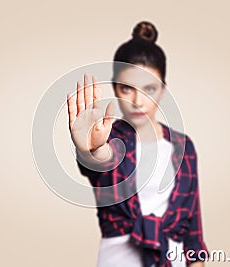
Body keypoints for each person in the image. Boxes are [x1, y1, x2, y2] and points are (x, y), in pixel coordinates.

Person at [66, 21, 208, 267]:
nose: (138, 100)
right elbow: (100, 159)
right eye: (127, 89)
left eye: (149, 88)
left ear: (163, 89)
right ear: (115, 89)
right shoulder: (110, 138)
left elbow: (193, 235)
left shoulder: (184, 148)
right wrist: (89, 148)